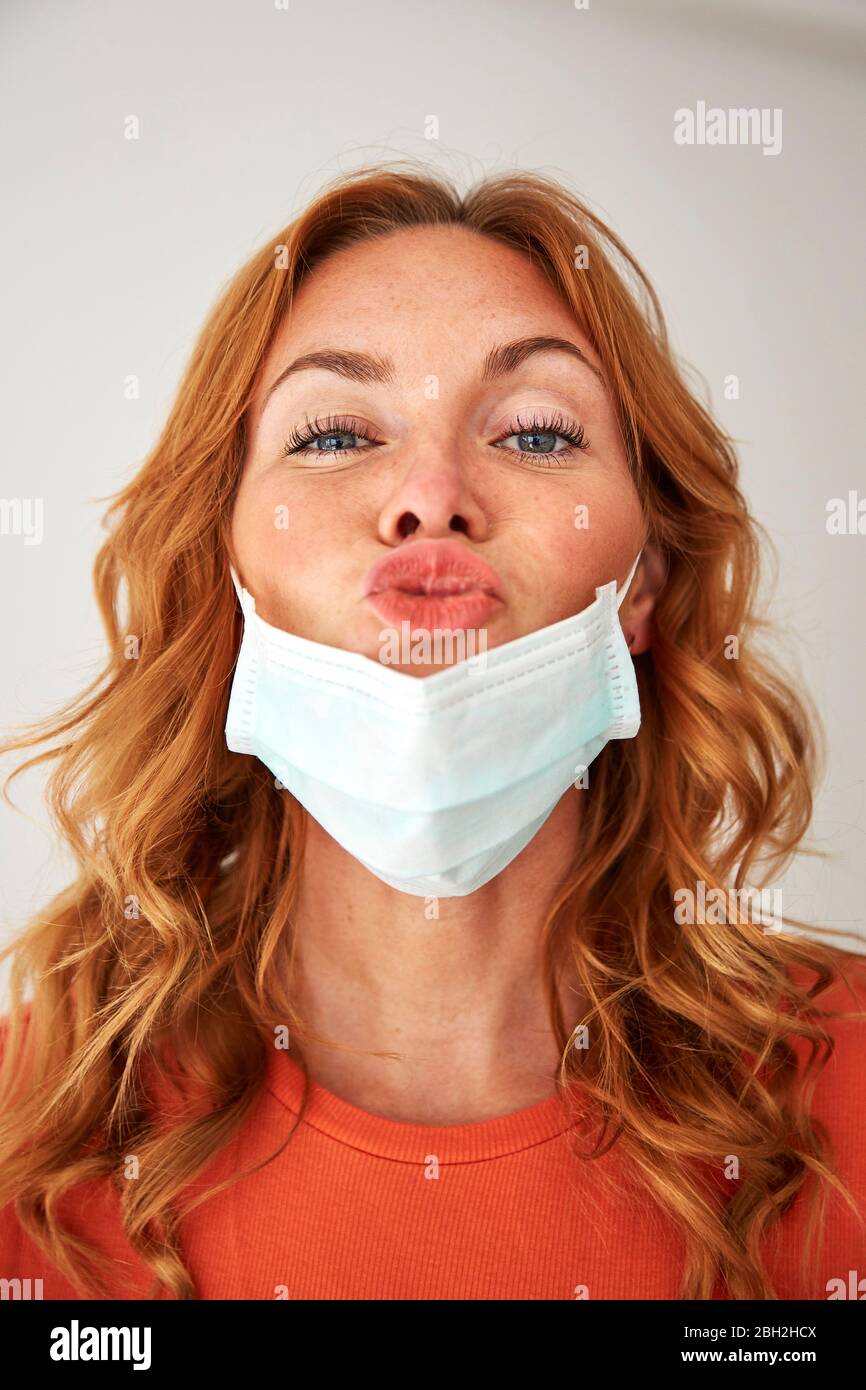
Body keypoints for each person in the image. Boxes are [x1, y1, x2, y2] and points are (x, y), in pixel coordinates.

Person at [1, 162, 864, 1302]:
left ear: (644, 582)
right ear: (224, 571)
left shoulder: (843, 1076)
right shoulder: (32, 1131)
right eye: (333, 433)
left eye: (538, 435)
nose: (429, 494)